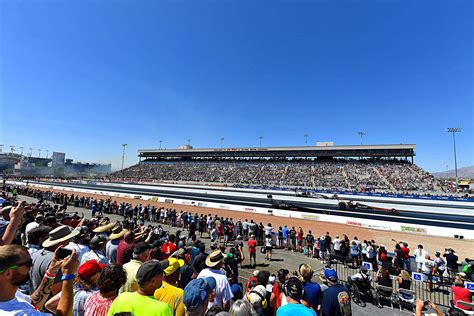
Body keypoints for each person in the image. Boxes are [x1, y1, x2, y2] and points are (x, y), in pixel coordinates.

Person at [0, 244, 78, 315]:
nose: (32, 266)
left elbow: (33, 303)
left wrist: (51, 272)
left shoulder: (8, 295)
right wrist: (68, 275)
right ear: (8, 273)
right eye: (29, 263)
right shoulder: (20, 313)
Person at [108, 259, 173, 316]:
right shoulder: (162, 309)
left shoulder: (121, 298)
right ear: (153, 281)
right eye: (161, 274)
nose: (163, 277)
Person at [30, 225, 79, 295]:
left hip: (35, 301)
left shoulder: (35, 254)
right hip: (47, 303)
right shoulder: (56, 262)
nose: (70, 240)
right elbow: (58, 292)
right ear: (62, 241)